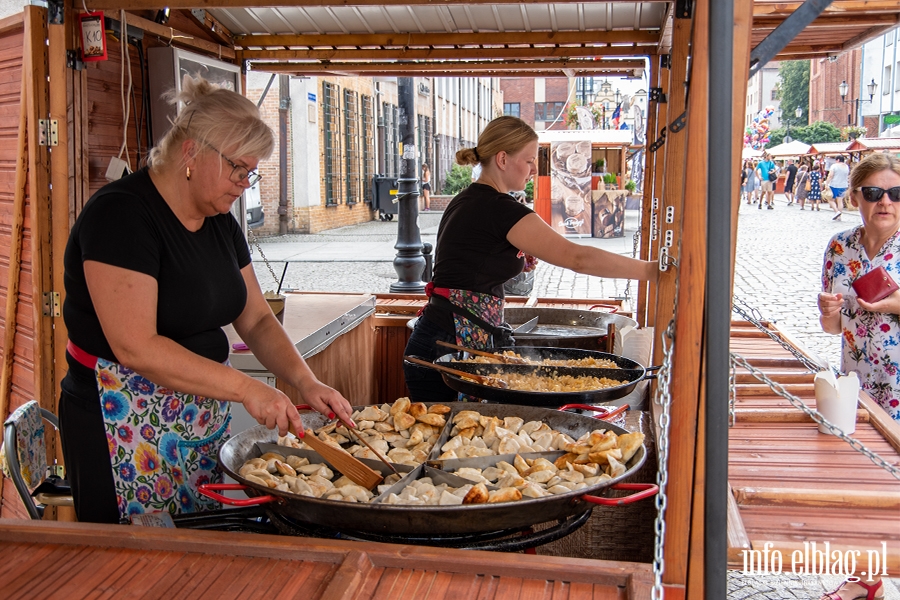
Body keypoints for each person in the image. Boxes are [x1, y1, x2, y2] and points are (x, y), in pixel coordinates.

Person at [58, 76, 356, 524]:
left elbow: (255, 319)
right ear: (192, 152)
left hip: (198, 413)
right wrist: (247, 388)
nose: (245, 183)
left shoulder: (219, 220)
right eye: (239, 168)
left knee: (201, 547)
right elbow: (134, 345)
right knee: (139, 563)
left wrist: (306, 381)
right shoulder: (120, 215)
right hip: (123, 418)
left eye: (251, 172)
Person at [402, 116, 658, 402]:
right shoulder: (499, 208)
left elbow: (469, 265)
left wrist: (512, 260)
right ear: (502, 159)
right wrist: (650, 271)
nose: (535, 169)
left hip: (442, 339)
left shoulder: (468, 199)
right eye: (529, 160)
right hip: (447, 349)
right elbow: (577, 257)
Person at [816, 154, 900, 596]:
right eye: (874, 193)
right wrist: (830, 311)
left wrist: (892, 304)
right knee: (862, 479)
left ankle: (872, 577)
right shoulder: (839, 246)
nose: (885, 201)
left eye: (895, 193)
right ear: (855, 197)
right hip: (858, 381)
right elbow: (832, 325)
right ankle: (867, 578)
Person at [824, 155, 850, 221]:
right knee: (840, 200)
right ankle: (839, 216)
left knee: (830, 199)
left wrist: (827, 183)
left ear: (838, 160)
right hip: (843, 185)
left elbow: (830, 175)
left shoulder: (834, 166)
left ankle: (836, 212)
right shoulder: (846, 166)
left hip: (834, 184)